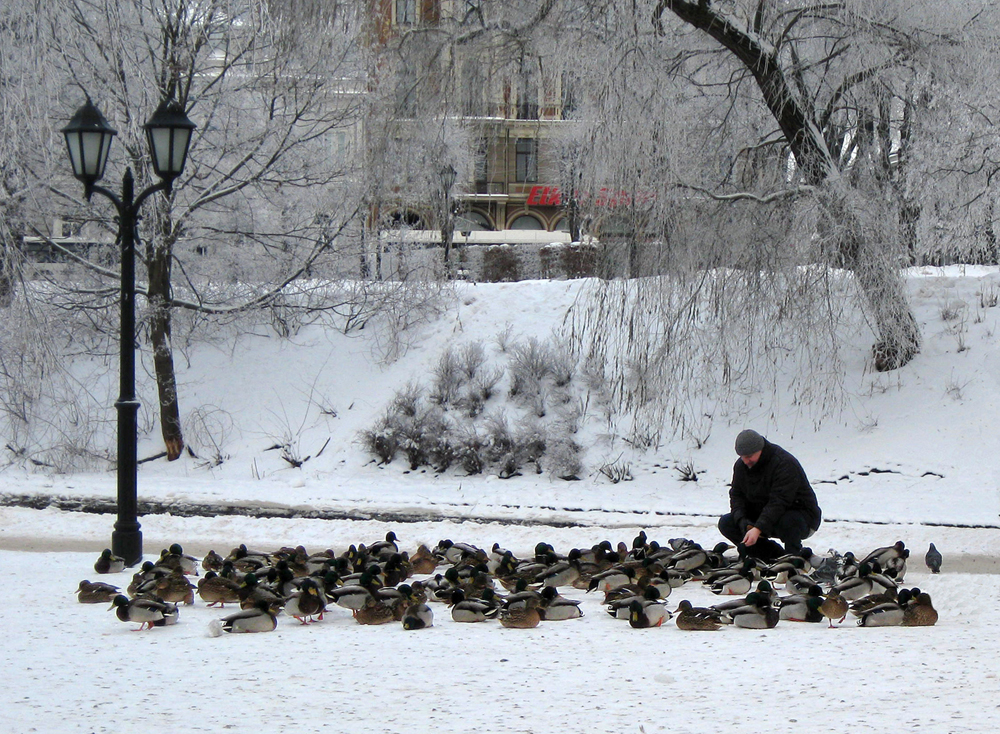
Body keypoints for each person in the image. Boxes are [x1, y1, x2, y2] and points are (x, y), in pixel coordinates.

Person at [718, 429, 822, 562]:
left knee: (788, 520)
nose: (746, 461)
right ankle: (770, 556)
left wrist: (758, 528)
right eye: (742, 457)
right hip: (765, 515)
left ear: (761, 449)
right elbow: (736, 496)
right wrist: (743, 522)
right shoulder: (741, 466)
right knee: (727, 523)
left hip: (801, 516)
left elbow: (779, 502)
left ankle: (793, 559)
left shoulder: (783, 463)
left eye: (750, 456)